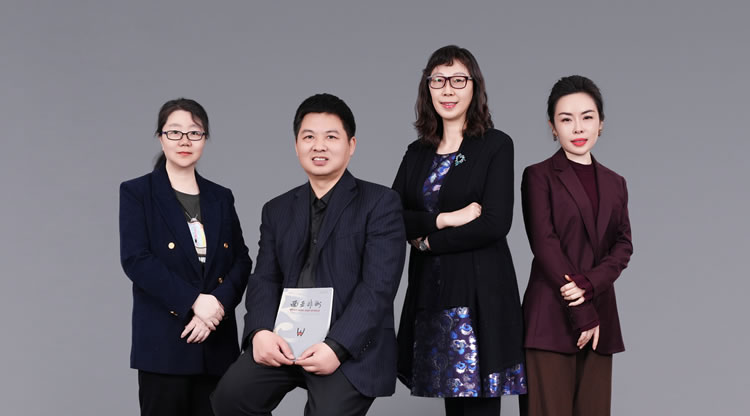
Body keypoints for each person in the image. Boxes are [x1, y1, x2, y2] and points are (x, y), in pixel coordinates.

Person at [211, 93, 406, 416]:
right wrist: (260, 332)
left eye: (331, 137)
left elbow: (378, 287)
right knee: (229, 398)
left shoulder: (380, 202)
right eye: (309, 137)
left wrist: (337, 346)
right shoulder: (276, 209)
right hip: (286, 337)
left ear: (351, 145)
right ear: (296, 145)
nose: (319, 146)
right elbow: (264, 279)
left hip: (349, 344)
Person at [392, 45, 527, 416]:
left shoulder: (495, 145)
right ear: (427, 88)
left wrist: (428, 242)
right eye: (438, 80)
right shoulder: (417, 152)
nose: (447, 90)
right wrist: (444, 219)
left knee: (479, 406)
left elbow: (495, 223)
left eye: (458, 80)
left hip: (480, 295)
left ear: (474, 86)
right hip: (432, 295)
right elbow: (390, 217)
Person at [119, 98, 252, 416]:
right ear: (160, 137)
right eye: (174, 132)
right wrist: (194, 301)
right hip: (165, 343)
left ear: (205, 139)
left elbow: (241, 260)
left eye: (194, 133)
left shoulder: (221, 197)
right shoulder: (138, 192)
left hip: (216, 343)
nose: (184, 141)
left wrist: (216, 305)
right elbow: (136, 259)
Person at [519, 75, 633, 416]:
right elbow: (545, 245)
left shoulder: (616, 183)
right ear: (553, 127)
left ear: (601, 123)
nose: (578, 127)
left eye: (587, 117)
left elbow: (623, 246)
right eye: (566, 119)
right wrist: (582, 310)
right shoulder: (538, 176)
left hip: (601, 322)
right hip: (550, 320)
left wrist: (589, 286)